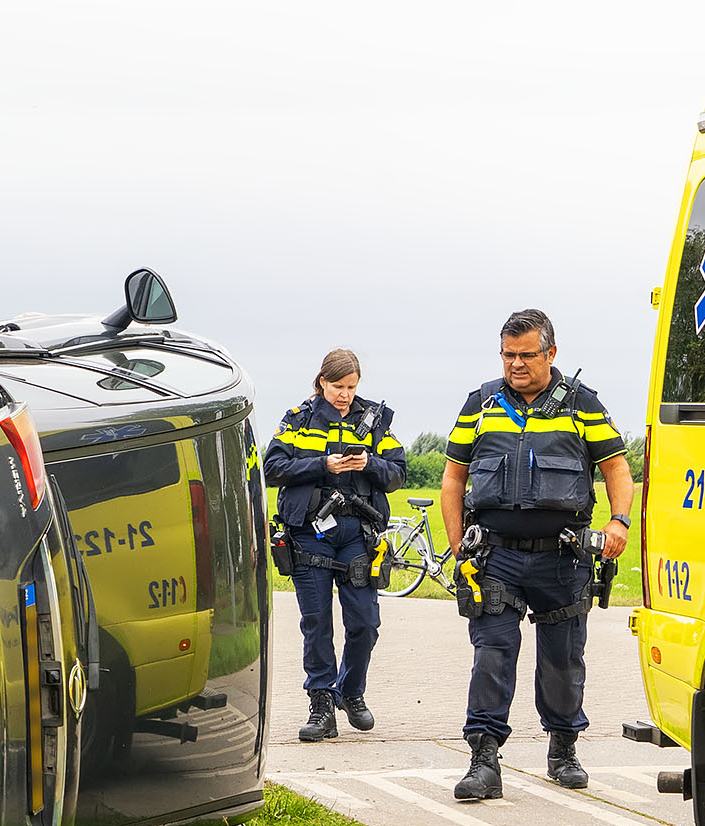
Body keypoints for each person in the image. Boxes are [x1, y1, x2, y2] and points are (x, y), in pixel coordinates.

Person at [442, 309, 632, 800]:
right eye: (509, 355)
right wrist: (456, 540)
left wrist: (619, 521)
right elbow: (453, 478)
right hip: (495, 559)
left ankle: (563, 748)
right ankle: (483, 761)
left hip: (562, 560)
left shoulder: (583, 405)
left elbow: (616, 469)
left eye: (527, 355)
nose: (516, 364)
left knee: (563, 661)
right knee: (492, 656)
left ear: (551, 352)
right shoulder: (480, 404)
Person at [264, 349, 406, 741]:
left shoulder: (374, 421)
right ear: (322, 382)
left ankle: (351, 691)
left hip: (358, 536)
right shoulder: (298, 420)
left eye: (351, 387)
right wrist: (322, 465)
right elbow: (273, 468)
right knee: (317, 625)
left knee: (364, 623)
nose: (344, 395)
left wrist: (369, 464)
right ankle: (321, 705)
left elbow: (398, 474)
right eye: (338, 386)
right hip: (311, 535)